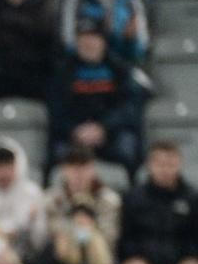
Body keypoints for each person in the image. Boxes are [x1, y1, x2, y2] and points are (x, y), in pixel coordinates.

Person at [117, 141, 198, 264]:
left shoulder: (194, 198)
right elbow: (126, 241)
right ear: (149, 166)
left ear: (179, 165)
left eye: (170, 164)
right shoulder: (134, 198)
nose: (165, 170)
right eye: (159, 164)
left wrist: (181, 263)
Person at [47, 21, 144, 171]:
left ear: (103, 42)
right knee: (58, 152)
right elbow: (56, 108)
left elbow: (129, 106)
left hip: (111, 133)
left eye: (93, 39)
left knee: (128, 147)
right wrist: (75, 129)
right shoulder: (63, 72)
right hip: (74, 134)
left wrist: (103, 127)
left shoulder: (120, 69)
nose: (88, 44)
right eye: (84, 39)